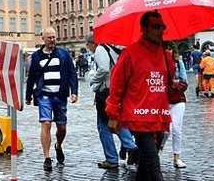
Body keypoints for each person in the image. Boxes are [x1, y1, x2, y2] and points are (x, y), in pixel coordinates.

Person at [106, 10, 193, 181]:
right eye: (156, 26)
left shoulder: (165, 56)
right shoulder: (131, 54)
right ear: (144, 29)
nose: (161, 30)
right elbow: (116, 87)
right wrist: (113, 114)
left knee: (145, 164)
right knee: (153, 163)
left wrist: (178, 89)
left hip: (159, 117)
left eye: (163, 26)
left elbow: (167, 91)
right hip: (138, 118)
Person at [25, 28, 78, 171]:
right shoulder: (37, 56)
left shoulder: (64, 54)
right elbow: (32, 77)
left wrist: (74, 92)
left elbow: (72, 74)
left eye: (54, 37)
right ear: (43, 39)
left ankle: (58, 145)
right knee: (46, 123)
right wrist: (28, 95)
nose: (52, 40)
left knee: (62, 127)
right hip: (44, 95)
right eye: (49, 38)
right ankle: (47, 157)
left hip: (60, 95)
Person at [88, 33, 136, 169]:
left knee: (103, 126)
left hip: (106, 92)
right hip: (117, 89)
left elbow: (103, 69)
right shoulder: (114, 48)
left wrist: (93, 80)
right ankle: (130, 147)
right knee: (116, 120)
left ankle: (115, 156)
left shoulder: (100, 49)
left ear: (92, 43)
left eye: (87, 45)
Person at [167, 44, 189, 169]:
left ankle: (177, 157)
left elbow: (184, 79)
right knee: (164, 131)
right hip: (163, 99)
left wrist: (173, 83)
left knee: (176, 129)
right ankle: (156, 155)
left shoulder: (178, 63)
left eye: (170, 48)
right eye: (166, 48)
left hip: (178, 99)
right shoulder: (159, 63)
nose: (168, 50)